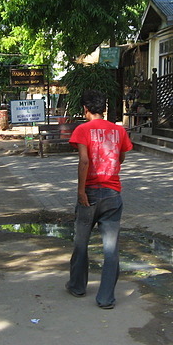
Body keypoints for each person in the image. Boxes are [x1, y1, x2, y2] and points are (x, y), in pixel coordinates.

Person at [65, 89, 133, 309]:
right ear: (103, 108)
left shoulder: (82, 129)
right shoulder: (118, 131)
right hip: (113, 194)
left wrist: (81, 191)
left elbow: (84, 161)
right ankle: (105, 298)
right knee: (111, 248)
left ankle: (77, 286)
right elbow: (121, 156)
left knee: (81, 242)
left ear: (85, 109)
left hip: (90, 194)